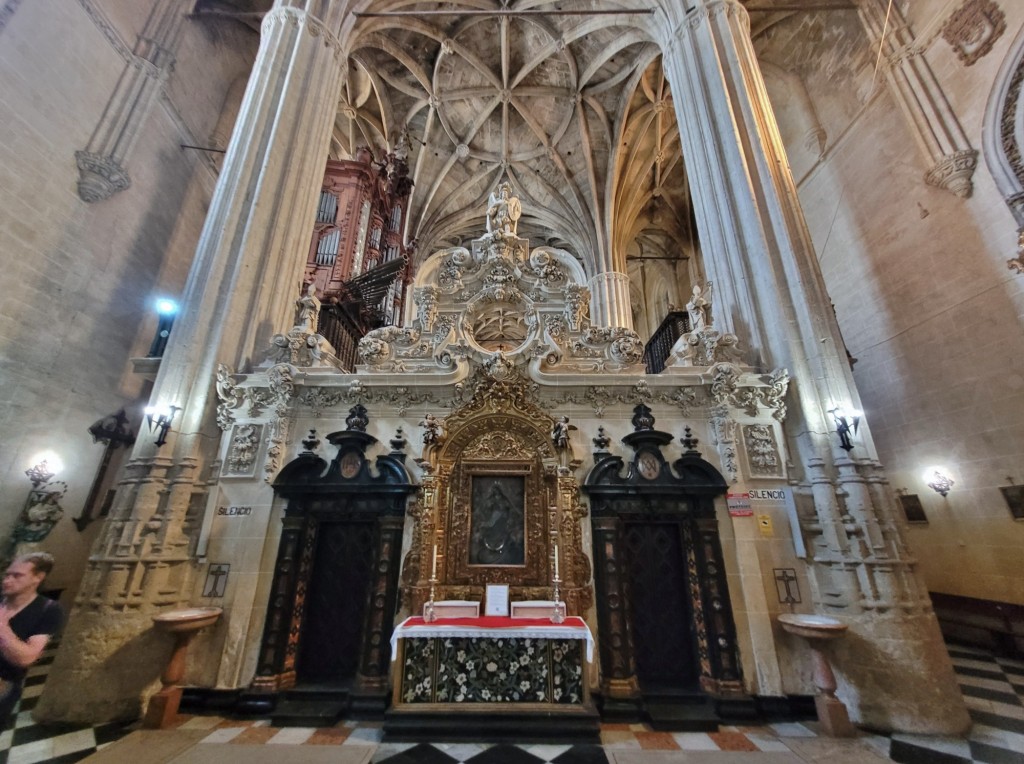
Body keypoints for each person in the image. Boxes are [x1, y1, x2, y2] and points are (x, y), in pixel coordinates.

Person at [0, 553, 63, 727]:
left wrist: (3, 629)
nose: (7, 580)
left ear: (38, 577)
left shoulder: (48, 610)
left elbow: (26, 658)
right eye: (7, 574)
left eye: (17, 575)